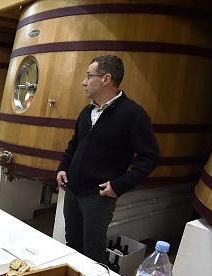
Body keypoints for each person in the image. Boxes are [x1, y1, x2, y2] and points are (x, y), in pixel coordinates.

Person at [56, 55, 160, 263]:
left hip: (98, 196)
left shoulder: (133, 115)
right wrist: (62, 167)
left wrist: (120, 186)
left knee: (93, 250)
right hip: (73, 191)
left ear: (106, 79)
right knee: (72, 244)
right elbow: (74, 144)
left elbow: (150, 157)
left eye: (89, 76)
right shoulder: (87, 111)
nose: (84, 82)